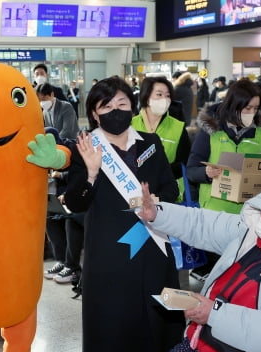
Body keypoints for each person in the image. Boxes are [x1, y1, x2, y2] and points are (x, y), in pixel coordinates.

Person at [137, 178, 261, 352]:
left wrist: (214, 313)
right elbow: (202, 224)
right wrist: (157, 214)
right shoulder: (251, 235)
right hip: (201, 341)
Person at [63, 76, 185, 351]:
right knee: (112, 322)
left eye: (122, 103)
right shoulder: (85, 147)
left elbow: (170, 189)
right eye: (106, 107)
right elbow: (74, 203)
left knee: (156, 315)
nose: (115, 111)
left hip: (152, 243)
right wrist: (92, 173)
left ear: (132, 106)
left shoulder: (151, 143)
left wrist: (155, 201)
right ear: (94, 114)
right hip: (109, 251)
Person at [187, 79, 261, 214]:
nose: (252, 113)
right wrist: (206, 173)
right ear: (234, 105)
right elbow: (191, 170)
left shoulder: (259, 133)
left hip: (247, 212)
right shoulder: (211, 130)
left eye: (255, 108)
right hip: (213, 210)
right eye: (248, 108)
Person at [131, 75, 191, 200]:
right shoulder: (131, 125)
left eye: (168, 95)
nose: (164, 99)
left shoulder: (178, 127)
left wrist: (157, 172)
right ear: (146, 98)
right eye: (159, 94)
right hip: (134, 194)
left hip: (168, 195)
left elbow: (184, 163)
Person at [42, 127, 84, 285]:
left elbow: (82, 175)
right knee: (49, 218)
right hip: (57, 196)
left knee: (70, 218)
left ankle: (71, 266)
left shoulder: (72, 150)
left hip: (76, 195)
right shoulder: (45, 155)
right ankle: (60, 260)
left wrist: (62, 177)